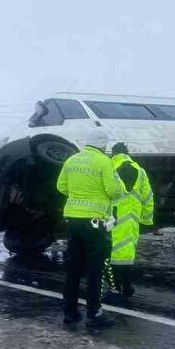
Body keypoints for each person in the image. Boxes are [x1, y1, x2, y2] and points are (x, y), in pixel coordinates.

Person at [56, 130, 123, 324]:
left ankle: (70, 312)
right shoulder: (104, 161)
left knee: (73, 267)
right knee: (96, 268)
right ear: (103, 144)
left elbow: (61, 186)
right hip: (95, 221)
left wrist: (78, 194)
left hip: (73, 220)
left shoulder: (71, 160)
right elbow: (114, 191)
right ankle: (94, 312)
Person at [107, 142, 154, 300]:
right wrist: (147, 220)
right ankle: (127, 286)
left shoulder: (109, 168)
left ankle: (115, 288)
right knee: (127, 253)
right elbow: (148, 197)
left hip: (112, 217)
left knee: (111, 253)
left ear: (113, 153)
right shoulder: (141, 171)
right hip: (132, 218)